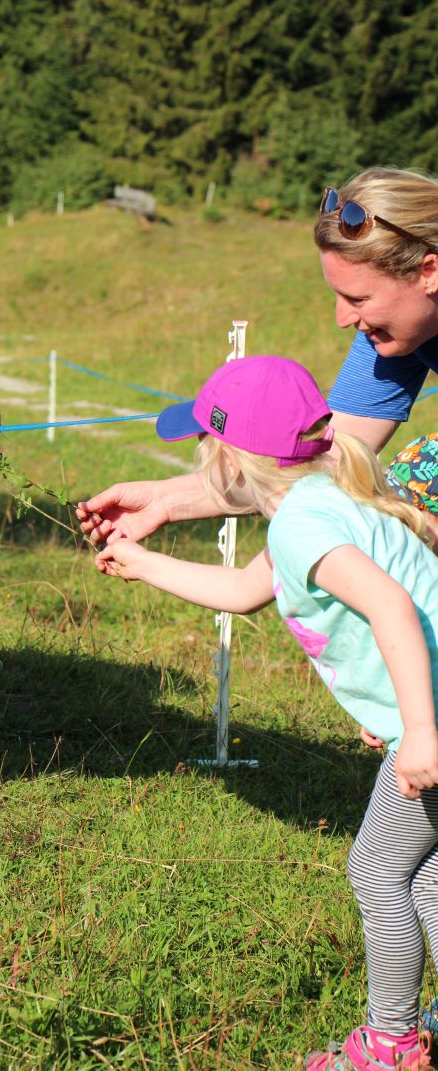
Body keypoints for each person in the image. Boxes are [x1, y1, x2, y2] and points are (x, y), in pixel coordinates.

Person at [93, 354, 438, 1070]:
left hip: (432, 724)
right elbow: (244, 591)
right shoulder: (323, 497)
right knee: (427, 872)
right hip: (424, 711)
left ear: (229, 460)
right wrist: (142, 562)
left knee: (376, 872)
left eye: (203, 444)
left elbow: (392, 606)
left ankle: (390, 1043)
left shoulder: (302, 525)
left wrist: (419, 729)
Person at [76, 168, 438, 548]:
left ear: (429, 272)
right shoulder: (394, 334)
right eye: (338, 296)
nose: (341, 319)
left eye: (358, 299)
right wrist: (166, 499)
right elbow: (324, 459)